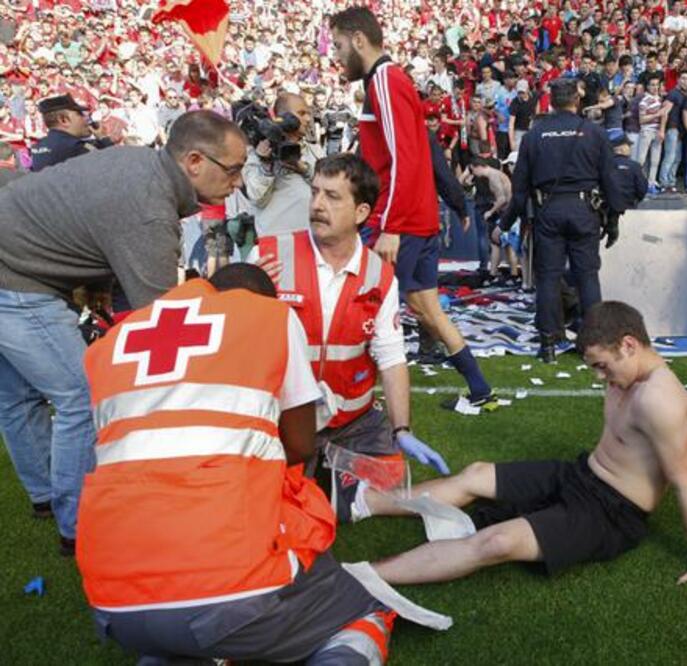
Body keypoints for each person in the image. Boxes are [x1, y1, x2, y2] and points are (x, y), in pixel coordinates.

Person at [77, 263, 397, 664]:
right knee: (360, 613)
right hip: (227, 587)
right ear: (261, 298)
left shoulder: (116, 340)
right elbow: (298, 445)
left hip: (113, 603)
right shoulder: (270, 318)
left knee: (184, 637)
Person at [360, 301, 687, 611]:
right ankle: (363, 504)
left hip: (612, 513)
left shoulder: (661, 400)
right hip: (581, 473)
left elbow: (686, 484)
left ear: (629, 345)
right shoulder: (626, 375)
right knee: (475, 473)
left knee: (498, 542)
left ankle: (365, 573)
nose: (600, 377)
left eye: (602, 365)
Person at [0, 111, 246, 555]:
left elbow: (86, 217)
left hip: (13, 255)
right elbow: (160, 319)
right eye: (233, 169)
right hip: (16, 278)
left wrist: (94, 284)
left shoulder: (139, 162)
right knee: (81, 395)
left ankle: (44, 496)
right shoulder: (150, 209)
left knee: (17, 397)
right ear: (194, 161)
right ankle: (77, 525)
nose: (239, 181)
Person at [254, 154, 449, 524]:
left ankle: (331, 474)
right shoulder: (269, 255)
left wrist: (402, 429)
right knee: (274, 507)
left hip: (352, 421)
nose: (316, 205)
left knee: (391, 482)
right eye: (314, 193)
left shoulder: (379, 275)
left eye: (332, 196)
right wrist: (248, 296)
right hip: (285, 419)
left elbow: (391, 359)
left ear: (361, 212)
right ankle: (317, 477)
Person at [329, 7, 497, 411]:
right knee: (426, 306)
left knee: (358, 310)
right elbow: (417, 154)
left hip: (398, 222)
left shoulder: (384, 80)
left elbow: (403, 157)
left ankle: (352, 402)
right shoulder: (390, 80)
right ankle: (480, 388)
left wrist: (390, 224)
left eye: (337, 45)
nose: (335, 55)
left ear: (357, 39)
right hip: (416, 219)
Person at [498, 78, 626, 363]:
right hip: (583, 210)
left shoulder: (534, 135)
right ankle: (593, 344)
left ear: (551, 102)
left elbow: (519, 189)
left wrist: (504, 225)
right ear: (576, 100)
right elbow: (610, 180)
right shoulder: (593, 132)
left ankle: (548, 343)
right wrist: (614, 218)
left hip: (549, 211)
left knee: (548, 278)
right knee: (587, 277)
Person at [243, 92, 326, 236]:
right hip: (275, 242)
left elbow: (329, 187)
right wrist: (266, 166)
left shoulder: (315, 151)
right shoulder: (258, 154)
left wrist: (304, 169)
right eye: (301, 113)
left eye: (308, 113)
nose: (308, 119)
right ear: (281, 117)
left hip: (311, 239)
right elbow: (257, 199)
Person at [29, 94, 112, 172]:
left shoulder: (38, 147)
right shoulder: (76, 148)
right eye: (80, 114)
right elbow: (113, 166)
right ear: (63, 120)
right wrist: (103, 138)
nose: (86, 119)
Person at [606, 128, 648, 248]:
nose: (630, 148)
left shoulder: (602, 165)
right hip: (630, 207)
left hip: (607, 208)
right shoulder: (635, 166)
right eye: (628, 145)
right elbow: (642, 189)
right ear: (621, 148)